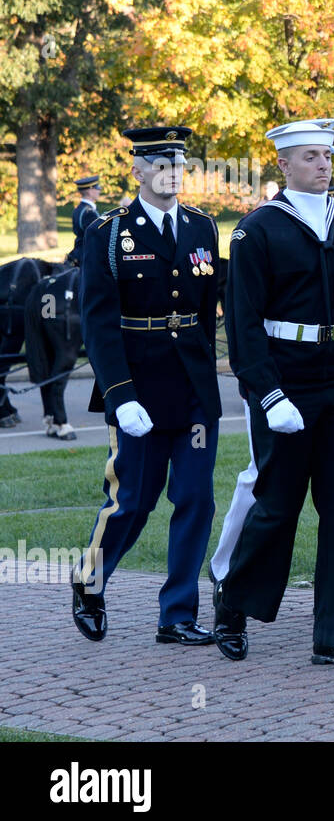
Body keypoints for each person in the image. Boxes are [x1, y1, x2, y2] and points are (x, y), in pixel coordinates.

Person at [216, 119, 334, 667]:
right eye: (311, 157)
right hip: (287, 378)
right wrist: (268, 395)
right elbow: (243, 325)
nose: (325, 165)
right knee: (277, 506)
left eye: (328, 156)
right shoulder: (257, 230)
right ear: (283, 165)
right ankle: (232, 603)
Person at [71, 126, 222, 645]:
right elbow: (97, 322)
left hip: (194, 382)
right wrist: (119, 394)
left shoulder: (203, 227)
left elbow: (205, 312)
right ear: (137, 171)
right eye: (161, 164)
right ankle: (89, 583)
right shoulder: (109, 232)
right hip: (138, 382)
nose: (172, 173)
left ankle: (176, 614)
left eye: (179, 164)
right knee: (133, 499)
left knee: (197, 497)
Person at [69, 176, 102, 268]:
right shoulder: (89, 212)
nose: (99, 190)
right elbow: (95, 236)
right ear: (90, 191)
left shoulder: (79, 209)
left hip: (79, 251)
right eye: (97, 188)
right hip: (87, 255)